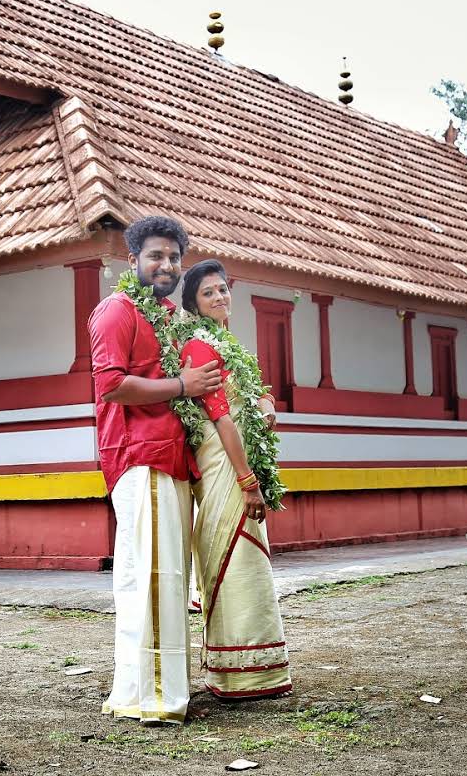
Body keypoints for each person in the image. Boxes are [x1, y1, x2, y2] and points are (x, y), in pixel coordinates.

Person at [88, 216, 222, 724]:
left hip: (172, 458)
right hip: (139, 456)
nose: (166, 266)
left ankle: (142, 691)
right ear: (133, 262)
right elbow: (112, 386)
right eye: (155, 256)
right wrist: (183, 386)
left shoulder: (165, 316)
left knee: (157, 577)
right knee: (152, 577)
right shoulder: (115, 311)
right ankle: (157, 697)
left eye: (172, 258)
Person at [179, 259, 292, 700]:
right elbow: (221, 418)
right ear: (193, 302)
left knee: (247, 560)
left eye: (223, 289)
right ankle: (238, 671)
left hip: (237, 460)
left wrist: (264, 405)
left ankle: (256, 669)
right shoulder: (200, 347)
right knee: (235, 554)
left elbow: (243, 404)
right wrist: (247, 481)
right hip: (225, 467)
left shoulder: (227, 345)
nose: (220, 297)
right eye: (209, 292)